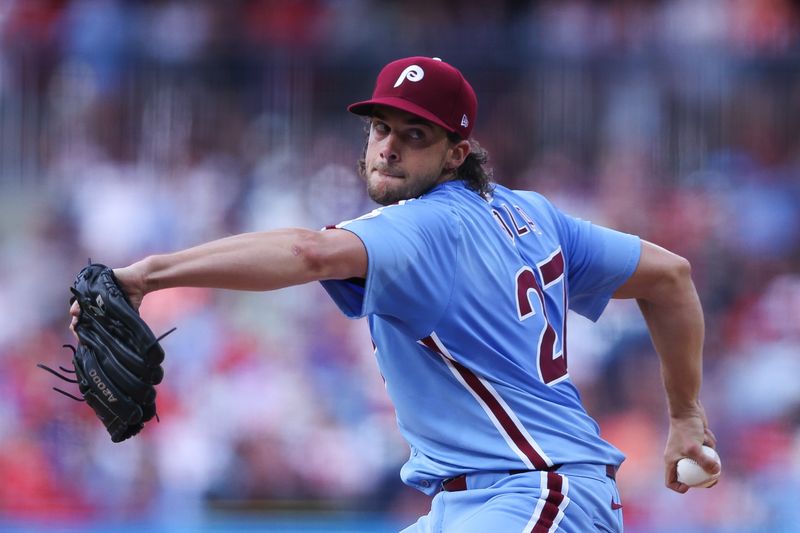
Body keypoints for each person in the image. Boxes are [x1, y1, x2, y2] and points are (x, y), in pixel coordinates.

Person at [70, 56, 719, 532]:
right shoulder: (535, 214)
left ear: (457, 151)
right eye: (381, 127)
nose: (388, 148)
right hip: (485, 501)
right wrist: (686, 413)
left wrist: (147, 274)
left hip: (537, 492)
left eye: (415, 135)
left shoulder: (425, 223)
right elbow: (669, 277)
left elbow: (308, 253)